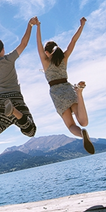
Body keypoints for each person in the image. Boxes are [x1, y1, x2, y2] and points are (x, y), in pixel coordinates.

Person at [35, 17, 95, 154]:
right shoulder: (64, 58)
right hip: (68, 89)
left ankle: (82, 134)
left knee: (71, 125)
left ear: (46, 52)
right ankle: (79, 93)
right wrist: (82, 25)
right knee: (83, 121)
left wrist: (38, 26)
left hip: (56, 93)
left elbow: (38, 42)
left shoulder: (45, 62)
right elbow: (73, 41)